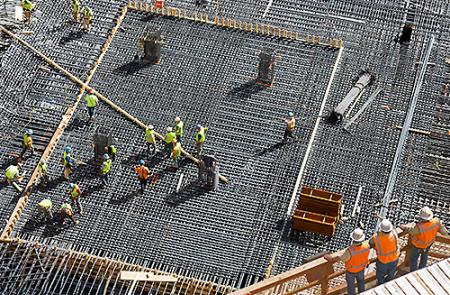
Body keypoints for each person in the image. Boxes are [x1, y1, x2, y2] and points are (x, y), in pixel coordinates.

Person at [400, 206, 448, 271]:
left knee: (414, 259)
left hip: (417, 246)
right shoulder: (436, 221)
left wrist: (404, 227)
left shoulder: (419, 227)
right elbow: (444, 232)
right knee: (424, 258)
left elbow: (411, 231)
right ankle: (422, 270)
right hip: (428, 244)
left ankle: (413, 272)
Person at [325, 228, 369, 295]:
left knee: (351, 285)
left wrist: (331, 259)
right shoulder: (366, 246)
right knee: (361, 282)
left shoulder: (350, 251)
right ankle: (363, 293)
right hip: (361, 268)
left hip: (351, 271)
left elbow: (342, 259)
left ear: (353, 238)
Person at [369, 219, 399, 284]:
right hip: (394, 259)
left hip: (383, 260)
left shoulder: (376, 237)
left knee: (380, 274)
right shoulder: (394, 234)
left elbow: (370, 242)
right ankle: (388, 283)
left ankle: (381, 284)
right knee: (391, 273)